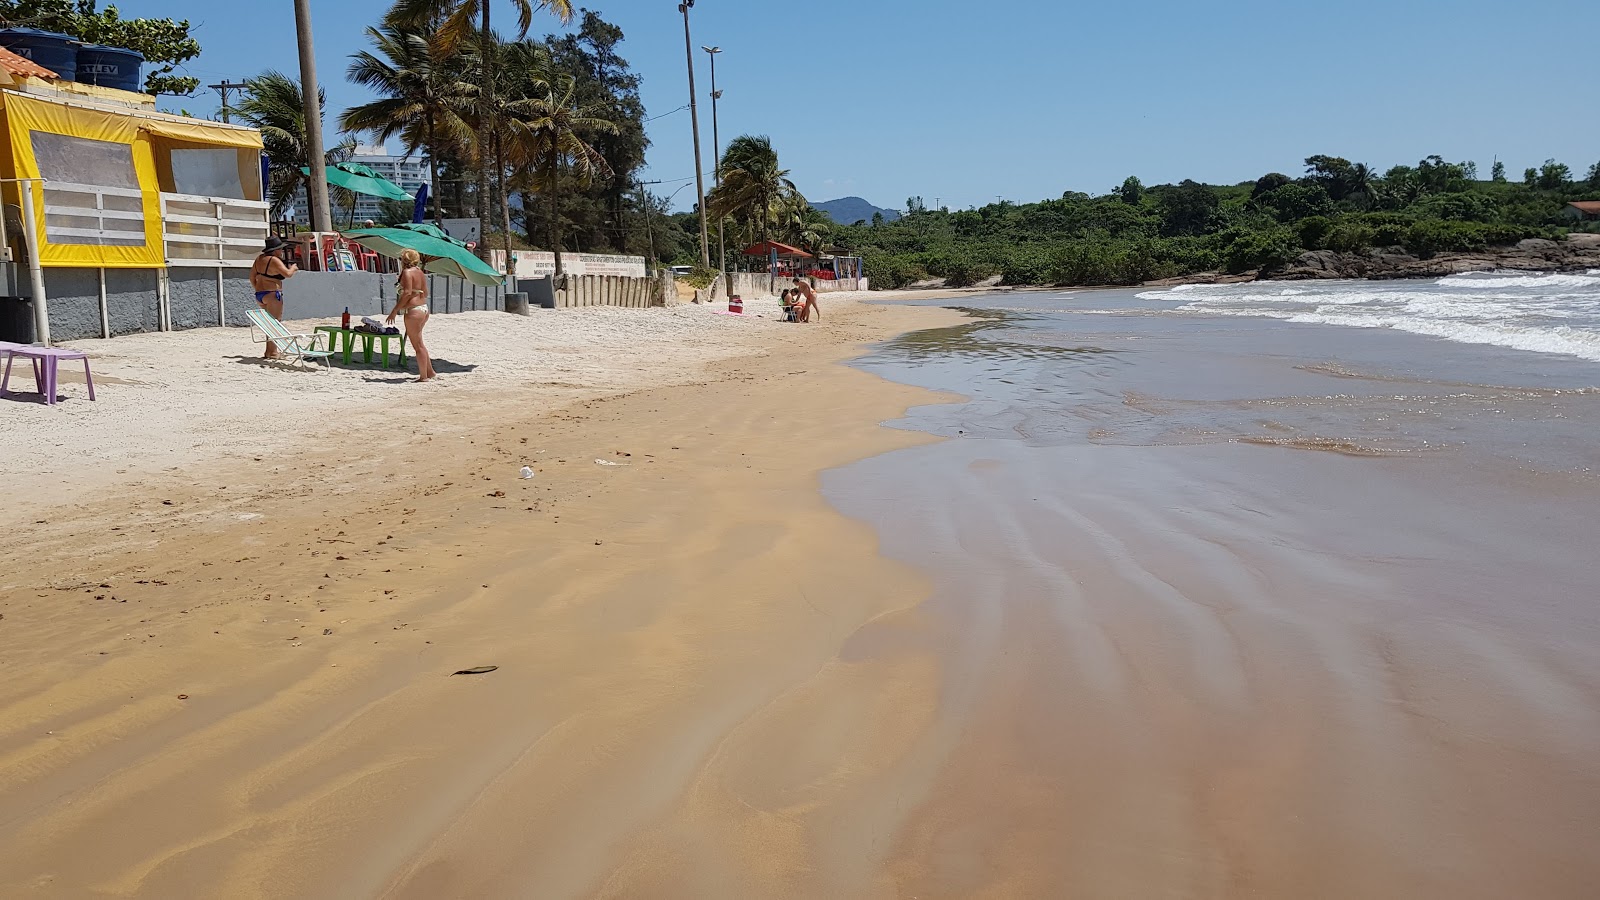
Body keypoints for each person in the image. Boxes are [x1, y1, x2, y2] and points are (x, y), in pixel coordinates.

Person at [386, 248, 435, 382]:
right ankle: (429, 372)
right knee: (420, 343)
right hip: (423, 308)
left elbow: (407, 293)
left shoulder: (407, 273)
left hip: (414, 311)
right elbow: (425, 293)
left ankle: (423, 377)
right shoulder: (420, 272)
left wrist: (395, 310)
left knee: (417, 346)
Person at [251, 236, 298, 359]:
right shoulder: (274, 260)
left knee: (269, 324)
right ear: (275, 250)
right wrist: (293, 268)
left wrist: (257, 288)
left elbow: (251, 278)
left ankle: (269, 351)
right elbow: (287, 274)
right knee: (275, 323)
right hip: (272, 294)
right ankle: (273, 352)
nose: (281, 251)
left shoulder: (259, 259)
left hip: (260, 295)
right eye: (280, 249)